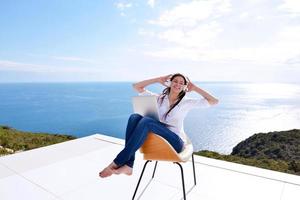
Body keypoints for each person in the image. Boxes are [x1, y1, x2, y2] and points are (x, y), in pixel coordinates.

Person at [99, 73, 218, 178]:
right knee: (134, 117)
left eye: (181, 83)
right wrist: (157, 79)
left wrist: (195, 88)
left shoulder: (186, 102)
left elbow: (214, 101)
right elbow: (136, 87)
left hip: (175, 142)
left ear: (184, 87)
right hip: (159, 137)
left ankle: (118, 161)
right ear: (170, 83)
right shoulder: (160, 98)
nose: (178, 84)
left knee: (146, 121)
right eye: (175, 81)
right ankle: (129, 165)